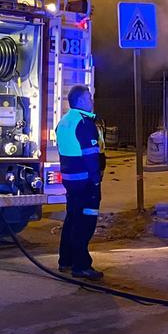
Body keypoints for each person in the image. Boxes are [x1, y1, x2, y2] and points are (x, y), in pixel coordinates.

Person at [55, 85, 104, 281]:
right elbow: (91, 156)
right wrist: (95, 180)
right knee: (86, 222)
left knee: (72, 219)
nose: (92, 100)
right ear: (81, 101)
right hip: (85, 181)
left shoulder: (64, 121)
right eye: (89, 97)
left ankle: (65, 260)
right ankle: (81, 265)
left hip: (70, 180)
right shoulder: (84, 123)